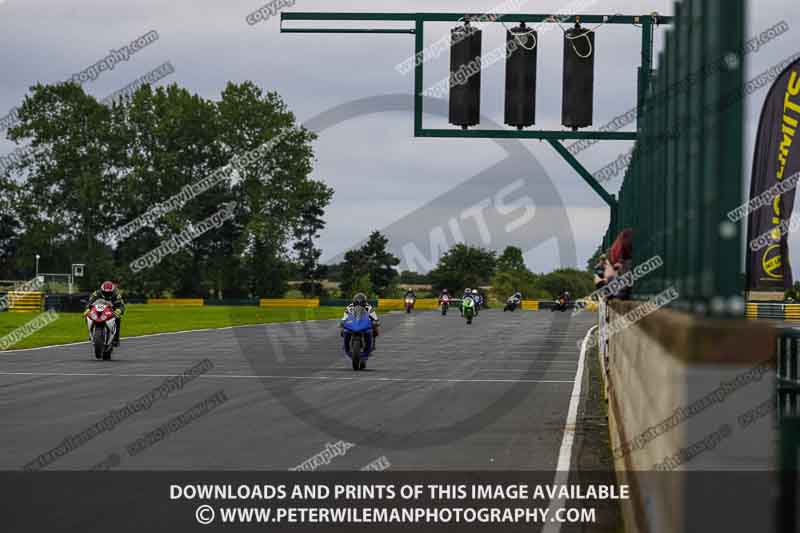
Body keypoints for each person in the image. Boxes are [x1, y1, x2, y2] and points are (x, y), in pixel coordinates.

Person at [85, 281, 125, 346]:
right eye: (105, 292)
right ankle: (91, 333)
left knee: (118, 319)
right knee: (88, 316)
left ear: (112, 291)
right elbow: (89, 301)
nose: (107, 294)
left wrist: (119, 310)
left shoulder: (116, 295)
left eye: (109, 293)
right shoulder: (96, 293)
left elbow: (122, 305)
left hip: (111, 311)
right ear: (101, 290)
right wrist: (87, 309)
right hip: (98, 309)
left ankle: (116, 338)